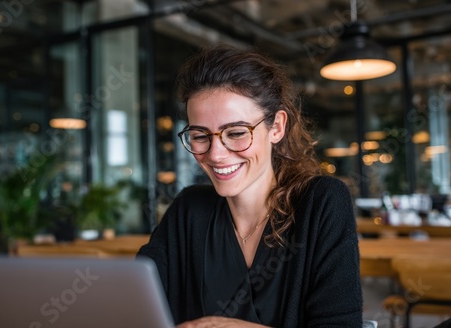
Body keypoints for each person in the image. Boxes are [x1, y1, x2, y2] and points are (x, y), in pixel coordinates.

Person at [137, 45, 363, 327]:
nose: (215, 154)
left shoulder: (321, 203)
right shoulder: (189, 209)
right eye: (199, 135)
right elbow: (135, 301)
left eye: (236, 133)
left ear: (277, 127)